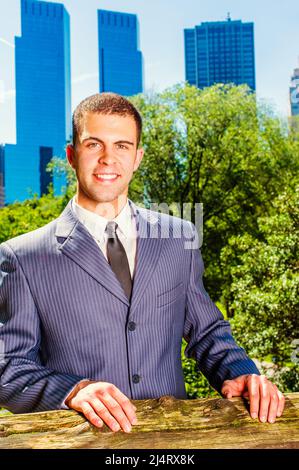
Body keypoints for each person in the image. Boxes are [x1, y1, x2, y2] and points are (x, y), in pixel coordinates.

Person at [0, 93, 285, 433]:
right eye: (94, 144)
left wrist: (240, 373)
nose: (108, 159)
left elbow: (207, 332)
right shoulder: (22, 257)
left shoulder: (178, 238)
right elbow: (9, 368)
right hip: (82, 444)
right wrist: (73, 390)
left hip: (174, 443)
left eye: (122, 146)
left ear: (137, 157)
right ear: (72, 156)